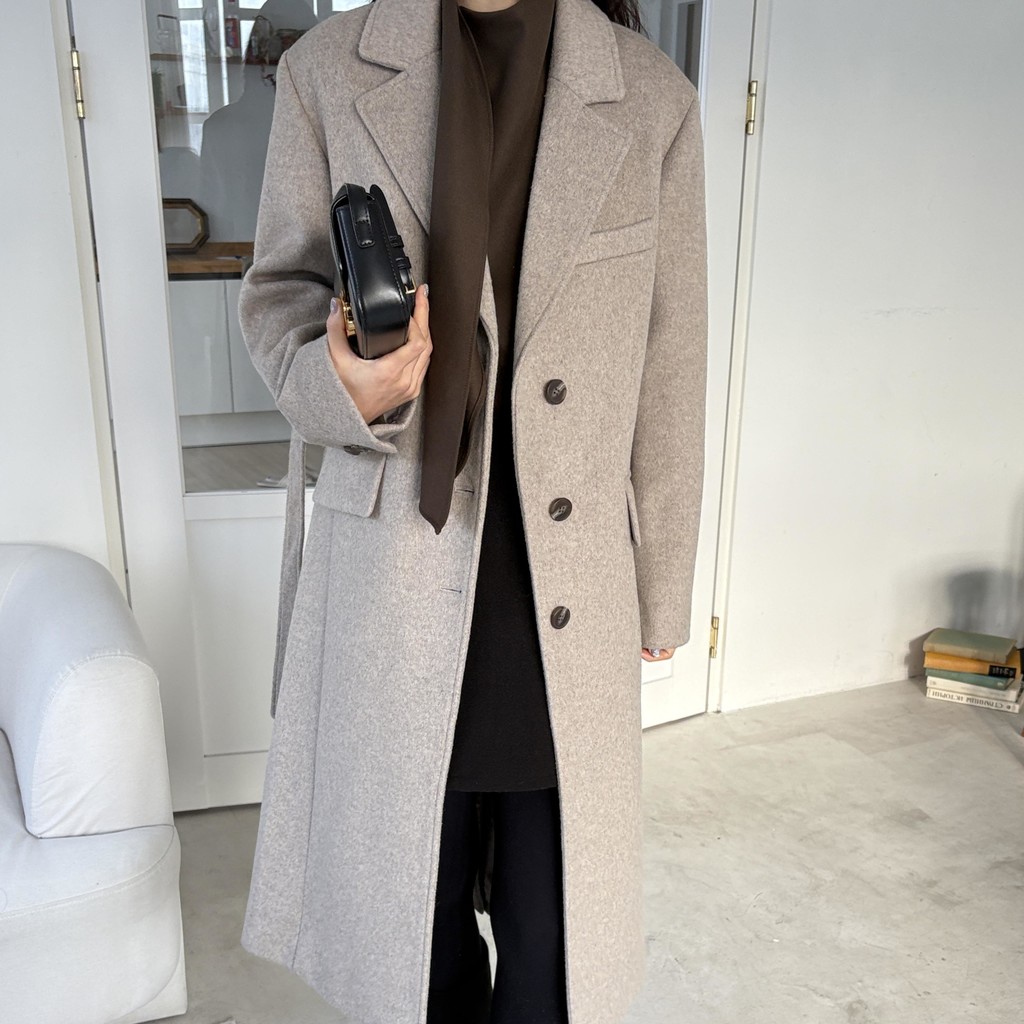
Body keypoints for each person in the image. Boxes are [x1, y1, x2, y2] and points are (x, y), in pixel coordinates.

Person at [237, 0, 707, 1022]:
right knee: (415, 927)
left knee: (552, 935)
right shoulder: (328, 71)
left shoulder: (652, 98)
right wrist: (344, 383)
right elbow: (278, 296)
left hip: (559, 589)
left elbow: (671, 357)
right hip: (394, 570)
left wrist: (664, 580)